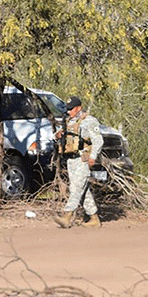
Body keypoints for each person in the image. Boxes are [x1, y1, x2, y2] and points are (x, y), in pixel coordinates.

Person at [53, 96, 104, 228]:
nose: (68, 111)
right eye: (68, 109)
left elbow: (98, 141)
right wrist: (58, 135)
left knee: (76, 189)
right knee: (83, 189)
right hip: (71, 160)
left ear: (79, 108)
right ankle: (94, 218)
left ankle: (67, 216)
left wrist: (93, 157)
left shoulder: (89, 121)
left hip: (83, 159)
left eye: (71, 109)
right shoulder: (70, 121)